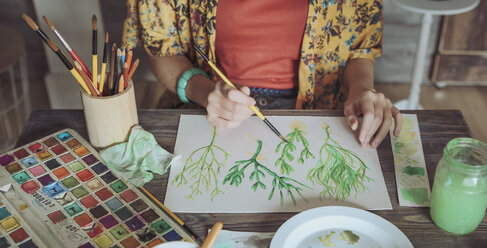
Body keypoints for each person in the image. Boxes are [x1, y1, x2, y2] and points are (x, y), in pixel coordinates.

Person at [123, 0, 402, 148]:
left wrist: (361, 88)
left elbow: (358, 48)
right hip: (207, 107)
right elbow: (163, 52)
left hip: (319, 107)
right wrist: (206, 93)